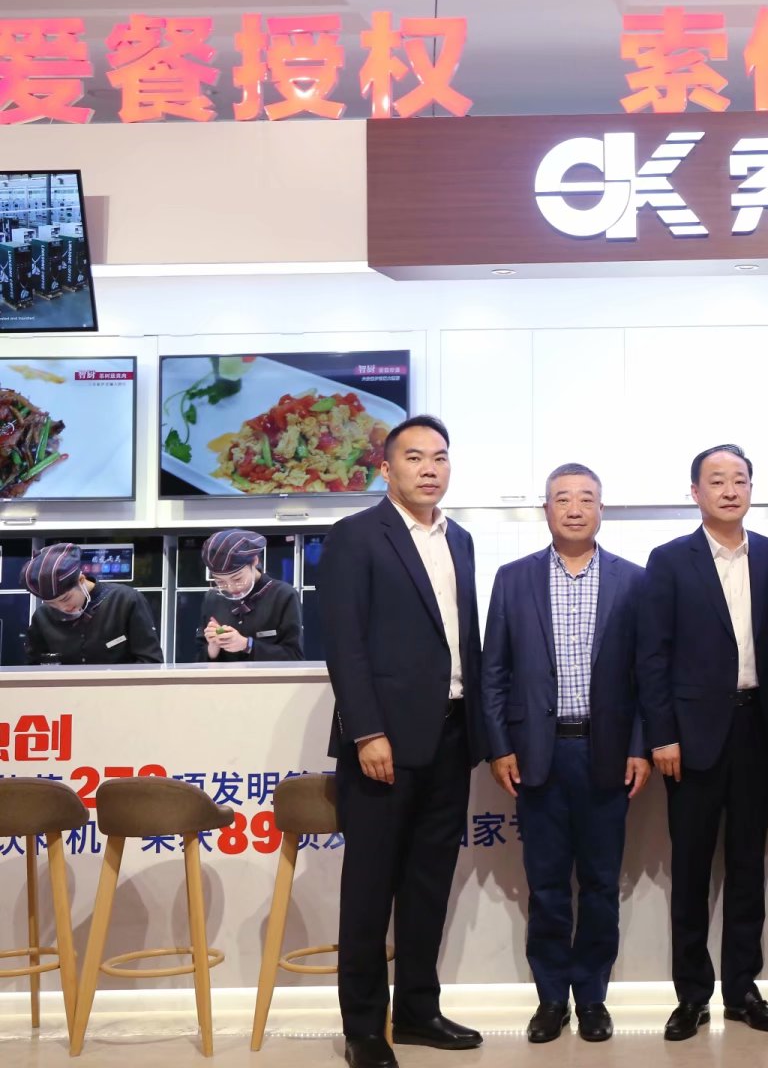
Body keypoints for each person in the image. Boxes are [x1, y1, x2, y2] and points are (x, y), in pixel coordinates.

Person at [319, 415, 487, 1068]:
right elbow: (345, 642)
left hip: (451, 735)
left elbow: (463, 640)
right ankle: (364, 1027)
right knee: (369, 890)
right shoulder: (356, 535)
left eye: (439, 457)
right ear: (386, 469)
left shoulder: (460, 539)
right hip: (382, 741)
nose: (429, 468)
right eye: (414, 457)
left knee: (427, 885)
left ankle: (418, 1011)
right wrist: (367, 730)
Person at [480, 464, 649, 1045]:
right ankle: (551, 998)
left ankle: (593, 998)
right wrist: (500, 746)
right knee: (547, 885)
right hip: (537, 754)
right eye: (562, 499)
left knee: (600, 884)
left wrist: (639, 747)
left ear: (601, 508)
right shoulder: (513, 579)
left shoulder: (634, 580)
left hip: (606, 753)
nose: (574, 508)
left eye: (586, 498)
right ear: (546, 510)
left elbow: (645, 676)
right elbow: (494, 672)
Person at [637, 444, 768, 1041]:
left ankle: (743, 990)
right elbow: (653, 656)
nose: (730, 490)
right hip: (691, 736)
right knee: (692, 867)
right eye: (717, 481)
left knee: (748, 865)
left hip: (756, 728)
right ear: (695, 492)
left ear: (751, 488)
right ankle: (691, 995)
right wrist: (662, 734)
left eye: (740, 480)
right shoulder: (669, 560)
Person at [22, 543, 162, 665]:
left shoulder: (126, 601)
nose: (62, 608)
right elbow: (33, 670)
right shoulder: (42, 616)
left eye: (65, 599)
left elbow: (150, 662)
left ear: (81, 580)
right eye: (52, 604)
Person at [196, 529, 302, 662]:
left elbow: (294, 656)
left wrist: (247, 645)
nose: (231, 588)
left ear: (254, 561)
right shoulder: (212, 598)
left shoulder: (283, 595)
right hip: (225, 676)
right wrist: (213, 648)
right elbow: (198, 659)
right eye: (220, 581)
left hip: (269, 676)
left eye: (237, 579)